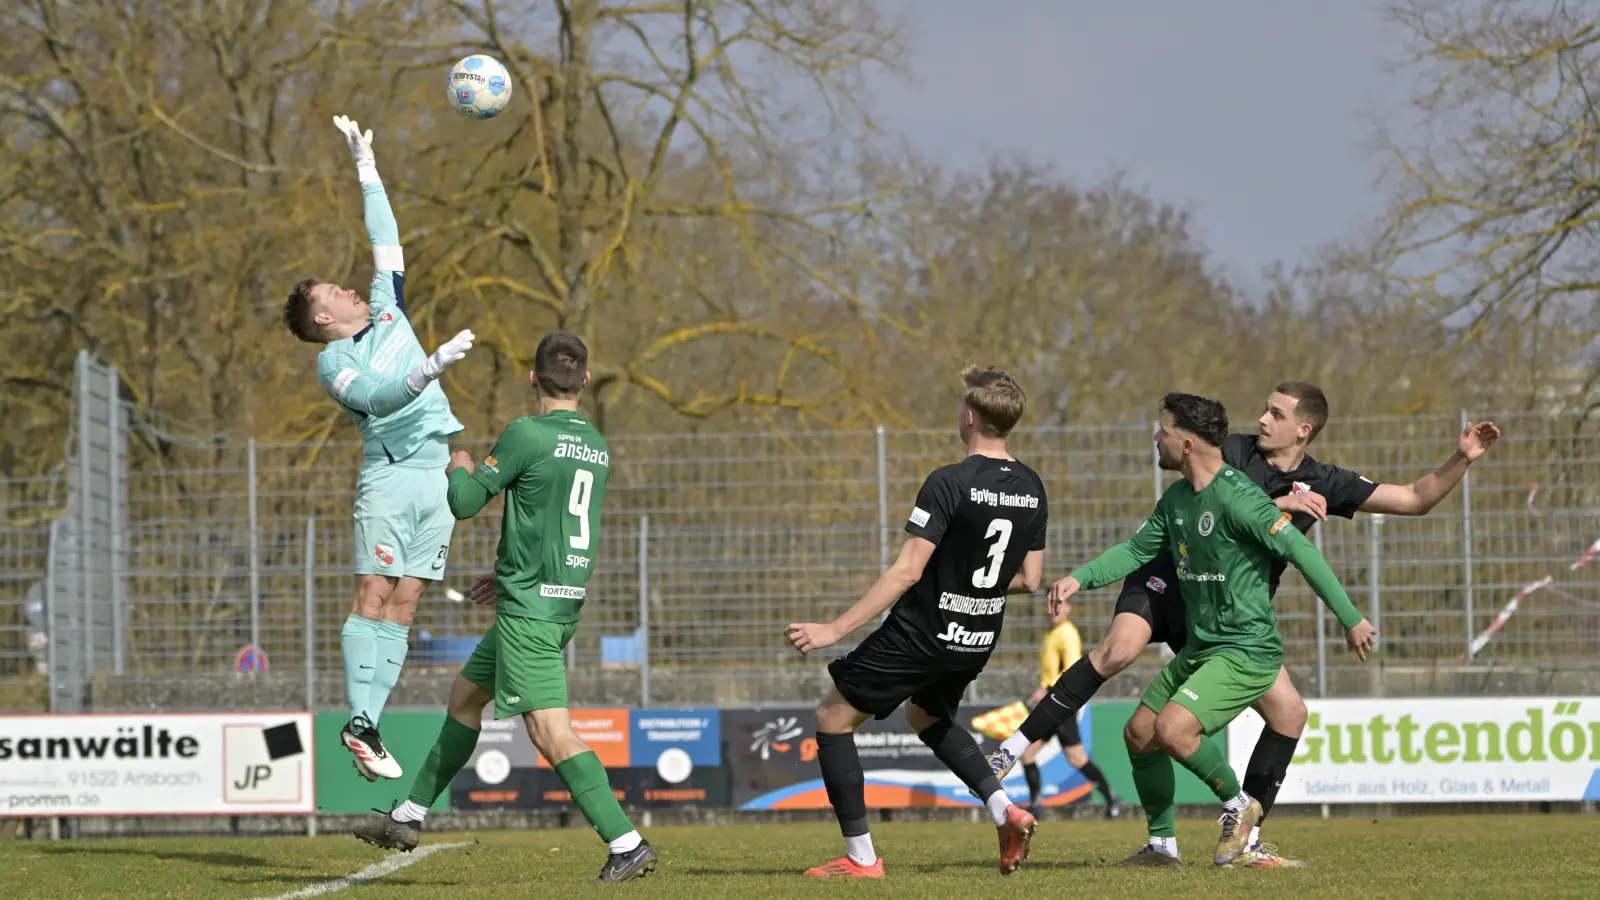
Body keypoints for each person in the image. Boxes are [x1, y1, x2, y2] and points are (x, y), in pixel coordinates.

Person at [987, 381, 1500, 866]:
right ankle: (1026, 755)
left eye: (1276, 413)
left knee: (1279, 717)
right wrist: (1277, 506)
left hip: (1228, 619)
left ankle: (1241, 836)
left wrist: (1461, 458)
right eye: (1265, 408)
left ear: (1305, 429)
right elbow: (1209, 507)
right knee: (1120, 655)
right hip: (1170, 579)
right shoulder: (1228, 450)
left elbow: (1414, 498)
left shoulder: (1324, 481)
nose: (1262, 418)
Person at [351, 333, 657, 884]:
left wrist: (460, 466)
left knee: (549, 732)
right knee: (465, 697)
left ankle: (625, 841)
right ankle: (409, 816)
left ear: (533, 379)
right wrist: (511, 570)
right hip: (556, 600)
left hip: (529, 614)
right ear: (586, 381)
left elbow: (465, 504)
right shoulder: (597, 444)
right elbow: (559, 521)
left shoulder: (525, 433)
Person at [1047, 392, 1376, 868]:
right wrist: (1080, 577)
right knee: (1140, 734)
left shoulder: (1240, 498)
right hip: (1203, 648)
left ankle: (1240, 810)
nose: (1156, 439)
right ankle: (1162, 847)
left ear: (1185, 444)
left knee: (1174, 730)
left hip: (1247, 649)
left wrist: (1352, 618)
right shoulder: (1178, 499)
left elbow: (1303, 554)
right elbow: (1136, 551)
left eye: (1163, 430)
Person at [784, 365, 1046, 878]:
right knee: (925, 717)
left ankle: (861, 859)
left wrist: (833, 630)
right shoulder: (1033, 487)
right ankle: (1005, 811)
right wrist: (971, 586)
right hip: (976, 636)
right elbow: (1030, 579)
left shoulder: (948, 481)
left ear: (969, 417)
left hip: (924, 633)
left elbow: (907, 570)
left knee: (833, 719)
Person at [282, 115, 477, 782]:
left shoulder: (387, 306)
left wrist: (367, 167)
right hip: (390, 481)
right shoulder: (333, 362)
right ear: (321, 318)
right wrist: (431, 369)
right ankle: (360, 723)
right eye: (330, 292)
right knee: (373, 590)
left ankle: (368, 727)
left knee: (408, 602)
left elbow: (384, 235)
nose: (343, 286)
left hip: (434, 480)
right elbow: (382, 398)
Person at [1018, 600, 1121, 817]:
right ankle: (1036, 805)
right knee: (1027, 754)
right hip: (1049, 702)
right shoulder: (1051, 633)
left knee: (1077, 759)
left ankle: (1112, 798)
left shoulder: (1067, 633)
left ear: (1068, 608)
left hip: (1061, 703)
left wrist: (1046, 688)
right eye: (1050, 604)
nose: (1053, 609)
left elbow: (1071, 670)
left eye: (1059, 604)